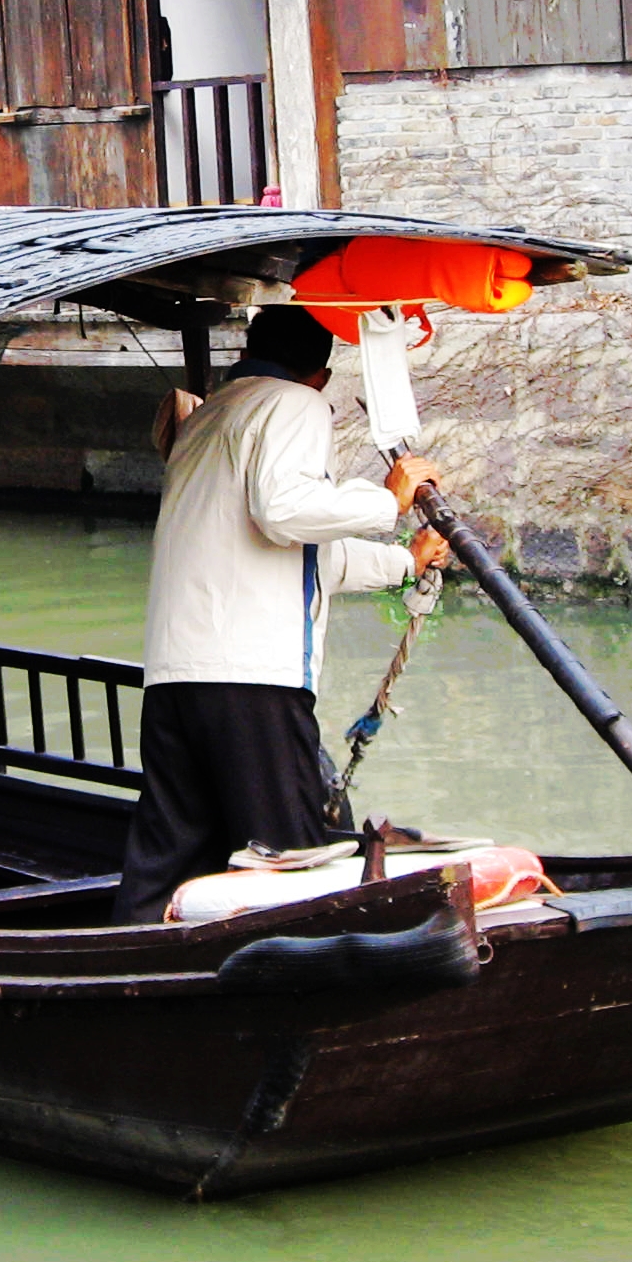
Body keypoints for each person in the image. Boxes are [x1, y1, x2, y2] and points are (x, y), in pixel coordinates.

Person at [116, 303, 449, 924]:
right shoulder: (294, 403)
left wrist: (406, 562)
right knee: (293, 852)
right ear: (319, 375)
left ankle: (122, 967)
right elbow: (288, 512)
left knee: (170, 855)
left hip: (176, 676)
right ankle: (314, 986)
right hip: (251, 678)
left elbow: (299, 550)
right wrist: (387, 499)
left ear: (248, 350)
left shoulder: (209, 416)